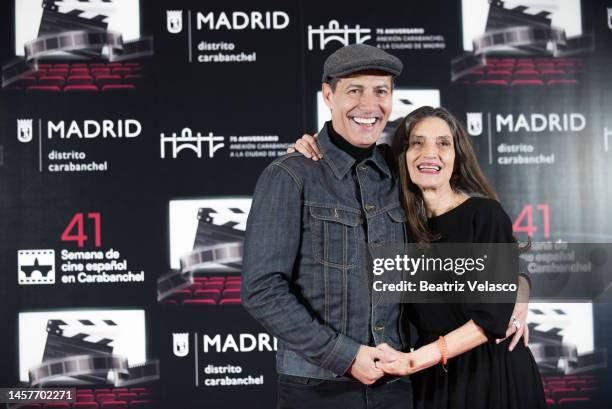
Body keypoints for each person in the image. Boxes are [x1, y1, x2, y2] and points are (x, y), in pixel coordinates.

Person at [291, 106, 545, 409]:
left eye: (443, 143)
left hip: (490, 373)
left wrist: (519, 294)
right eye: (417, 142)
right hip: (431, 380)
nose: (430, 153)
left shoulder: (484, 214)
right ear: (402, 156)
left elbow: (492, 313)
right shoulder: (396, 223)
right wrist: (311, 147)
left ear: (457, 156)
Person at [242, 44, 414, 409]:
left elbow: (469, 228)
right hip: (316, 388)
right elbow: (262, 289)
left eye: (381, 91)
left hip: (397, 387)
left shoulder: (403, 175)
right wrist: (346, 356)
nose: (370, 106)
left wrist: (516, 285)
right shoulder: (289, 175)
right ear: (328, 95)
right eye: (355, 90)